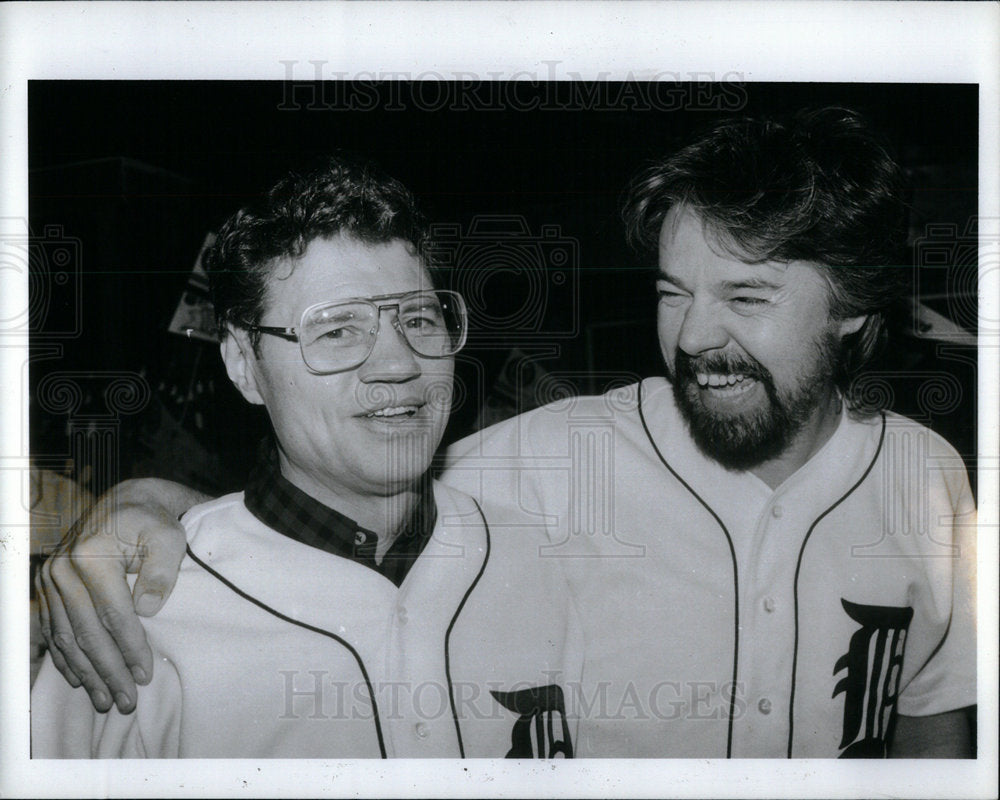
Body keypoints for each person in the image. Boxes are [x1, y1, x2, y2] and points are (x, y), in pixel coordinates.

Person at [37, 108, 976, 758]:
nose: (693, 336)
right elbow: (346, 499)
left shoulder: (931, 476)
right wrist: (134, 509)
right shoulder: (559, 465)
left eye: (747, 296)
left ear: (854, 312)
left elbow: (934, 721)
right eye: (671, 293)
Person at [31, 156, 583, 758]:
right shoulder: (131, 623)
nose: (399, 364)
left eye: (419, 318)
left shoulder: (552, 565)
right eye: (338, 330)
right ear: (244, 364)